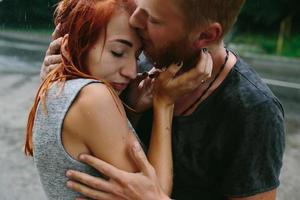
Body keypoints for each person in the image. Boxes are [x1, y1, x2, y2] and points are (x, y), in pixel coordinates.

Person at [42, 0, 285, 199]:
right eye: (139, 6)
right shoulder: (136, 63)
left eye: (153, 19)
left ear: (206, 34)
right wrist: (63, 72)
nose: (135, 20)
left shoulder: (254, 111)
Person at [25, 0, 212, 199]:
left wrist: (132, 109)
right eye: (118, 52)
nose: (132, 72)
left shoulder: (55, 88)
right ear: (70, 44)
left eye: (137, 56)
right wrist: (164, 102)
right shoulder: (93, 96)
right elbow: (153, 192)